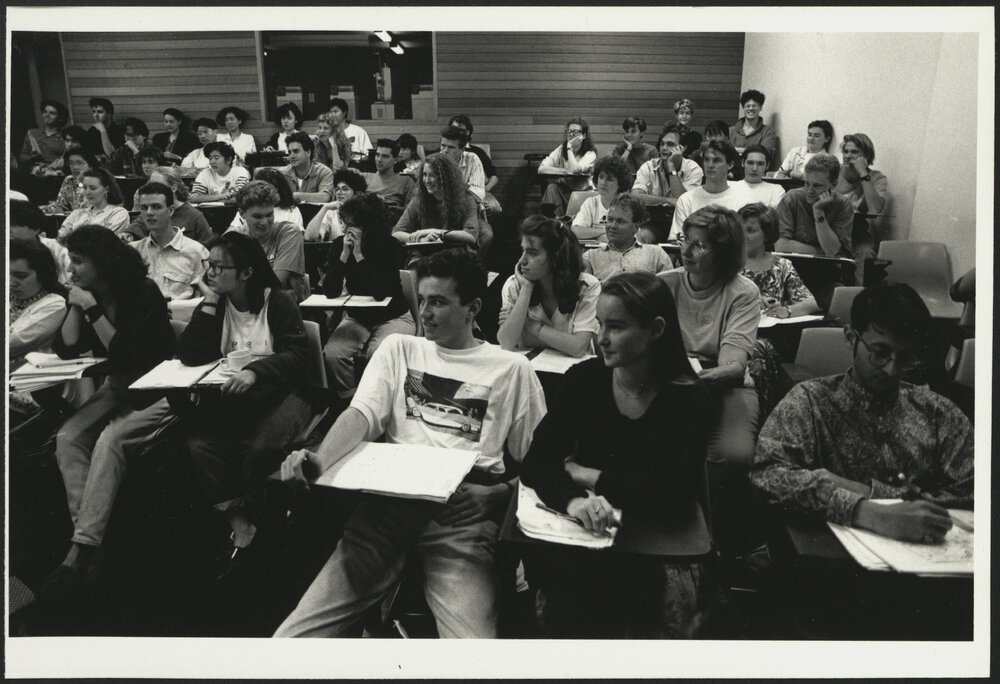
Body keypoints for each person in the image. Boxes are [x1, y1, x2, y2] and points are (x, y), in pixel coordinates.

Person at [274, 248, 547, 638]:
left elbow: (544, 463)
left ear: (473, 308)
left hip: (460, 519)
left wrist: (502, 494)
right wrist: (319, 459)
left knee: (472, 653)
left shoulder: (511, 368)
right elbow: (361, 415)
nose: (426, 312)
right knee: (293, 638)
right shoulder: (400, 348)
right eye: (421, 301)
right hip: (385, 510)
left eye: (438, 302)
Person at [520, 271, 710, 638]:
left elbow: (674, 496)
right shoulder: (584, 380)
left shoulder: (688, 399)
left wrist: (589, 477)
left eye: (617, 327)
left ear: (656, 330)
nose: (601, 339)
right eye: (600, 325)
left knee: (643, 616)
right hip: (589, 535)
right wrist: (573, 500)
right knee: (570, 608)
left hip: (655, 543)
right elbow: (537, 461)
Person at [750, 282, 973, 539]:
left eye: (905, 358)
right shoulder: (810, 402)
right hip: (830, 561)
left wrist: (867, 491)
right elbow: (766, 476)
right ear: (850, 338)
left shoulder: (936, 412)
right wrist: (866, 512)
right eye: (879, 353)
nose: (892, 370)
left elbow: (977, 488)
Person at [45, 225, 175, 593]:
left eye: (78, 261)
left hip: (156, 386)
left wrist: (90, 308)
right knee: (68, 436)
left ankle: (80, 551)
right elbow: (67, 348)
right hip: (120, 385)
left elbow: (127, 353)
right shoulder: (91, 294)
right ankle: (90, 542)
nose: (71, 270)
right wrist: (76, 303)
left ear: (102, 262)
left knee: (108, 439)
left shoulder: (142, 292)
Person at [178, 232, 316, 577]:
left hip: (287, 393)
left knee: (262, 446)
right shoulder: (217, 304)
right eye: (208, 265)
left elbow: (300, 357)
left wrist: (257, 372)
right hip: (239, 399)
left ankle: (264, 516)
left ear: (246, 273)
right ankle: (240, 522)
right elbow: (191, 355)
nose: (209, 272)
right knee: (201, 445)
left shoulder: (278, 301)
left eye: (218, 267)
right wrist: (208, 302)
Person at [658, 205, 761, 469]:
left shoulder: (743, 292)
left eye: (699, 245)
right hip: (668, 379)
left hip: (723, 384)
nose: (686, 251)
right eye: (684, 240)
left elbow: (732, 366)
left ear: (723, 252)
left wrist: (696, 379)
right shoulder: (663, 284)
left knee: (733, 455)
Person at [320, 193, 415, 399]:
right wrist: (344, 256)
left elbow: (380, 293)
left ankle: (379, 400)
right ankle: (352, 400)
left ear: (368, 225)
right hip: (358, 317)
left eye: (353, 225)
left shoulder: (390, 246)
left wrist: (359, 256)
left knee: (379, 353)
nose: (347, 230)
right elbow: (330, 291)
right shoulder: (339, 245)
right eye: (345, 224)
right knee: (334, 354)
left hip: (393, 316)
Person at [498, 216, 600, 357]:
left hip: (571, 372)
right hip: (531, 369)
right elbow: (506, 344)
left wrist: (530, 325)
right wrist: (526, 289)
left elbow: (578, 347)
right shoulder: (515, 285)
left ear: (556, 258)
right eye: (523, 251)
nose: (522, 260)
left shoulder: (587, 286)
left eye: (532, 253)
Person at [228, 181, 309, 302]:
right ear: (242, 214)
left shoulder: (289, 233)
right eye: (257, 217)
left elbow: (275, 285)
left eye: (269, 215)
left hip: (284, 311)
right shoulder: (235, 238)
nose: (265, 222)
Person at [129, 181, 209, 301]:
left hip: (181, 317)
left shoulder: (196, 251)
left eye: (156, 207)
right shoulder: (133, 252)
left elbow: (207, 298)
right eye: (144, 208)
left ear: (170, 210)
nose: (149, 213)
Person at [739, 203, 819, 317]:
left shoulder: (782, 265)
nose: (742, 236)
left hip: (770, 330)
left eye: (750, 230)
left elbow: (811, 304)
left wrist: (786, 310)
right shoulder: (725, 265)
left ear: (767, 235)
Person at [392, 153, 480, 254]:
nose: (427, 180)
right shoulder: (418, 200)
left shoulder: (466, 200)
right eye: (424, 175)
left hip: (455, 254)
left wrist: (438, 233)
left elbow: (471, 236)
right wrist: (422, 240)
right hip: (425, 254)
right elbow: (396, 233)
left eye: (432, 175)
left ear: (445, 178)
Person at [775, 153, 855, 262]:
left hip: (828, 269)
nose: (809, 191)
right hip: (793, 267)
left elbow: (832, 250)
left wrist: (818, 211)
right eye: (807, 183)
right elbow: (781, 246)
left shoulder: (843, 204)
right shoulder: (792, 198)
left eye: (817, 186)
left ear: (834, 185)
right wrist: (822, 252)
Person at [669, 139, 749, 240]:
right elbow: (677, 240)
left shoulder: (743, 200)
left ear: (730, 165)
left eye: (717, 160)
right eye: (707, 159)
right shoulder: (686, 200)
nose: (710, 165)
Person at [9, 238, 68, 368]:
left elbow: (10, 343)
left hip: (28, 381)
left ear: (42, 275)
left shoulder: (54, 304)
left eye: (21, 276)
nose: (11, 282)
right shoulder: (9, 297)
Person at [583, 194, 671, 281]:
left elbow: (668, 290)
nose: (612, 226)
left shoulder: (656, 255)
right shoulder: (590, 257)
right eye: (610, 220)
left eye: (620, 221)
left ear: (635, 227)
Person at [835, 133, 889, 269]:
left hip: (857, 234)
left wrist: (863, 173)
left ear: (866, 156)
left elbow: (875, 209)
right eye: (845, 151)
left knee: (867, 256)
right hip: (832, 230)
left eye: (854, 152)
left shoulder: (877, 178)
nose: (848, 156)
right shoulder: (834, 171)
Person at [123, 166, 214, 245]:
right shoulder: (149, 211)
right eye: (150, 184)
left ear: (173, 188)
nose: (151, 189)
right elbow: (136, 227)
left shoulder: (194, 216)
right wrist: (128, 234)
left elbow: (207, 248)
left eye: (158, 186)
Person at [631, 122, 704, 208]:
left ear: (683, 147)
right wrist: (668, 200)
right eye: (662, 144)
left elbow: (684, 202)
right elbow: (635, 197)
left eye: (670, 144)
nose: (664, 148)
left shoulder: (693, 169)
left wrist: (671, 165)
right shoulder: (649, 166)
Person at [538, 117, 598, 217]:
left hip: (582, 193)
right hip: (565, 191)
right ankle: (552, 223)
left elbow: (574, 170)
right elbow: (542, 169)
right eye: (569, 131)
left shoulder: (590, 154)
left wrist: (569, 147)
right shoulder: (561, 150)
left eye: (575, 132)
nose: (571, 134)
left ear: (583, 135)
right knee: (552, 188)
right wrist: (565, 171)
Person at [447, 114, 502, 216]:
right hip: (452, 193)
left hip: (477, 191)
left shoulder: (478, 152)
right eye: (453, 128)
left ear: (467, 132)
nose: (456, 132)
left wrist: (487, 188)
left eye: (460, 129)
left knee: (495, 208)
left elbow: (493, 175)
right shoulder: (445, 151)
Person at [56, 168, 130, 241]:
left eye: (93, 188)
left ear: (106, 189)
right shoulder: (77, 213)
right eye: (85, 188)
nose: (87, 192)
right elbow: (62, 237)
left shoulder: (118, 213)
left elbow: (106, 240)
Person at [571, 155, 630, 242]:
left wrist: (593, 234)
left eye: (609, 179)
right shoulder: (590, 203)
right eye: (601, 177)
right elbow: (575, 231)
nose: (603, 183)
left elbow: (626, 236)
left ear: (620, 184)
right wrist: (604, 232)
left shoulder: (627, 205)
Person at [10, 200, 71, 284]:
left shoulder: (54, 247)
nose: (8, 229)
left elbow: (71, 274)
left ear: (35, 229)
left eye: (15, 225)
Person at [228, 167, 303, 234]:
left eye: (269, 215)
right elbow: (229, 235)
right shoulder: (248, 207)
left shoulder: (292, 211)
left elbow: (296, 237)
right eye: (257, 216)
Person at [363, 138, 417, 225]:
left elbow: (412, 209)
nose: (379, 160)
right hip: (365, 219)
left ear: (395, 160)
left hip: (391, 221)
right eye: (377, 155)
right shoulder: (364, 177)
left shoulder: (406, 181)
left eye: (385, 156)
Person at [304, 169, 367, 242]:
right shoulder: (331, 212)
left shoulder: (365, 210)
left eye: (345, 189)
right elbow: (309, 237)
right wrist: (325, 208)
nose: (339, 192)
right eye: (337, 189)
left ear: (356, 193)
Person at [278, 131, 335, 203]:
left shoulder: (323, 172)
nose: (291, 156)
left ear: (308, 152)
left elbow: (325, 197)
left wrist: (296, 196)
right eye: (290, 152)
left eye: (296, 151)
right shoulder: (283, 174)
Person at [438, 125, 487, 205]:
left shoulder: (472, 159)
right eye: (443, 145)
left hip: (466, 203)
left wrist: (455, 186)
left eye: (451, 147)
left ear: (462, 149)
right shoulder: (435, 160)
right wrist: (465, 187)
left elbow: (479, 194)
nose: (445, 151)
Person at [42, 149, 99, 215]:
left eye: (79, 163)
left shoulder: (99, 182)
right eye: (71, 163)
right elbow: (60, 206)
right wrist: (48, 210)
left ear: (90, 166)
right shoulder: (69, 181)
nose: (75, 167)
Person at [20, 100, 68, 170]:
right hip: (35, 173)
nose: (47, 115)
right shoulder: (32, 133)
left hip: (55, 173)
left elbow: (66, 159)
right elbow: (23, 155)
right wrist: (33, 160)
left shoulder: (64, 136)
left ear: (60, 118)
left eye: (52, 113)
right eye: (45, 112)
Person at [728, 89, 776, 158]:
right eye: (748, 106)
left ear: (760, 107)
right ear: (743, 108)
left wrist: (735, 150)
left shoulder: (768, 132)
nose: (751, 108)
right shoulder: (731, 131)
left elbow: (765, 154)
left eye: (754, 106)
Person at [611, 116, 658, 186]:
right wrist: (628, 149)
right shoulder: (618, 150)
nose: (629, 135)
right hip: (624, 187)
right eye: (627, 132)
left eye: (633, 131)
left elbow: (656, 176)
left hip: (645, 187)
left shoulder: (651, 151)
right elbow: (616, 169)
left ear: (642, 133)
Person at [327, 97, 372, 164]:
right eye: (330, 112)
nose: (332, 115)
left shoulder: (358, 131)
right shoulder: (327, 132)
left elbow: (368, 154)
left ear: (344, 112)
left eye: (335, 111)